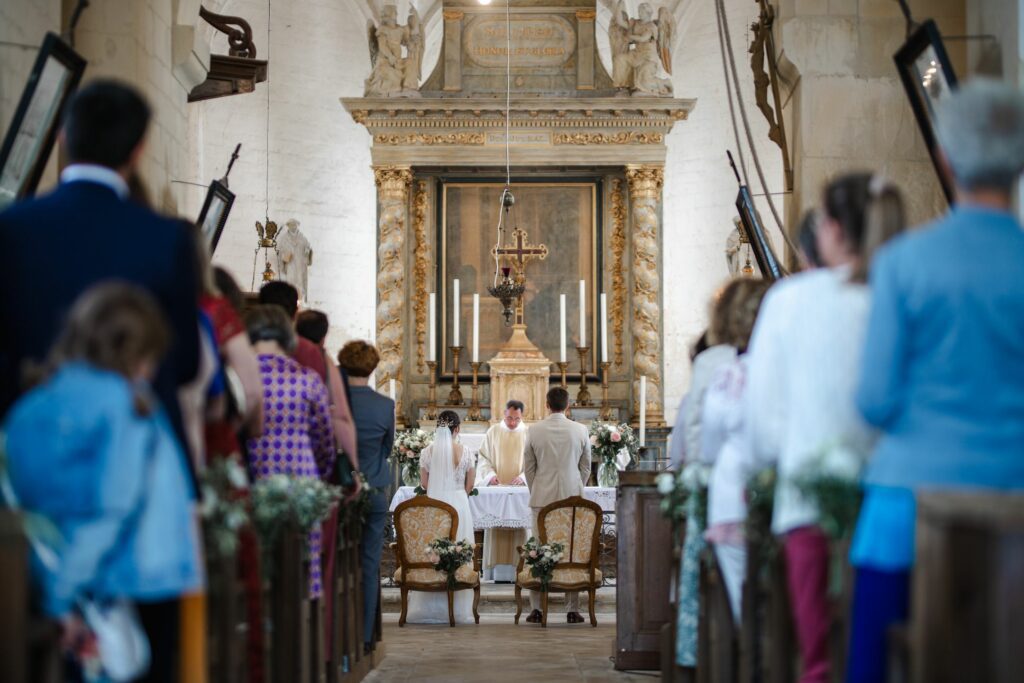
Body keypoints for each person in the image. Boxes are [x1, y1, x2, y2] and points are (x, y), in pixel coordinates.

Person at [847, 79, 1024, 683]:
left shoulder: (904, 262)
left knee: (873, 661)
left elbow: (874, 401)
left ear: (945, 158)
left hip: (908, 509)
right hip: (1016, 503)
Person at [743, 173, 906, 683]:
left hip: (810, 500)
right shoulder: (897, 293)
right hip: (895, 502)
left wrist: (790, 459)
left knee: (820, 659)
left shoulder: (790, 300)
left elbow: (761, 425)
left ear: (831, 229)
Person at [0, 79, 200, 480]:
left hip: (31, 455)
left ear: (62, 136)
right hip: (135, 459)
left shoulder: (12, 229)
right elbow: (185, 363)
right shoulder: (167, 239)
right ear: (138, 150)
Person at [2, 283, 202, 682]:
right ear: (138, 354)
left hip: (37, 572)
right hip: (126, 579)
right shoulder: (126, 406)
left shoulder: (31, 405)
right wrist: (62, 594)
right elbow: (113, 507)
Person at [244, 305, 336, 600]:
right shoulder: (307, 379)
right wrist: (319, 475)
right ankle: (303, 613)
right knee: (301, 563)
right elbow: (325, 440)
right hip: (300, 478)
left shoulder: (241, 377)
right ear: (288, 337)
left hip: (253, 474)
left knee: (255, 559)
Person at [699, 277, 771, 622]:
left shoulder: (730, 376)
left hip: (732, 499)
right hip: (784, 497)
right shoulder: (788, 369)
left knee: (745, 605)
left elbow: (709, 448)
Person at [259, 283, 359, 485]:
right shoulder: (312, 353)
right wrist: (353, 470)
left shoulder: (243, 346)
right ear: (295, 312)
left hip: (256, 462)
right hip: (306, 464)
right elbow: (339, 416)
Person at [336, 340, 395, 652]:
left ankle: (338, 636)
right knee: (370, 565)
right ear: (372, 368)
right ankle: (366, 636)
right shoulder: (384, 405)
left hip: (340, 492)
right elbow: (387, 449)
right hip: (374, 490)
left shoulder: (335, 402)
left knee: (338, 563)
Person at [522, 387, 592, 624]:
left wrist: (537, 488)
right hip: (572, 497)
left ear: (546, 404)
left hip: (542, 498)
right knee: (572, 550)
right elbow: (586, 467)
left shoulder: (534, 430)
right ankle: (572, 609)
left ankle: (537, 609)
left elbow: (529, 468)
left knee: (538, 549)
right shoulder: (580, 430)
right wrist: (577, 487)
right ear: (568, 405)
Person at [405, 410, 477, 624]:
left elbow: (424, 484)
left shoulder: (427, 452)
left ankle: (431, 605)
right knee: (459, 549)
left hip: (435, 504)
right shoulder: (466, 452)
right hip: (459, 505)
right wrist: (457, 493)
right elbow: (470, 485)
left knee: (434, 550)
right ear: (457, 429)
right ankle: (458, 607)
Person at [476, 400, 529, 582]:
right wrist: (490, 476)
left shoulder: (528, 433)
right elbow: (483, 458)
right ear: (504, 414)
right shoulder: (493, 432)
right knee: (496, 524)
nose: (512, 422)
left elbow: (534, 461)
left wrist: (523, 477)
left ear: (522, 416)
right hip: (497, 489)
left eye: (516, 419)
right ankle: (497, 573)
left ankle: (519, 571)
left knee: (519, 526)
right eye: (509, 418)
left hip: (519, 489)